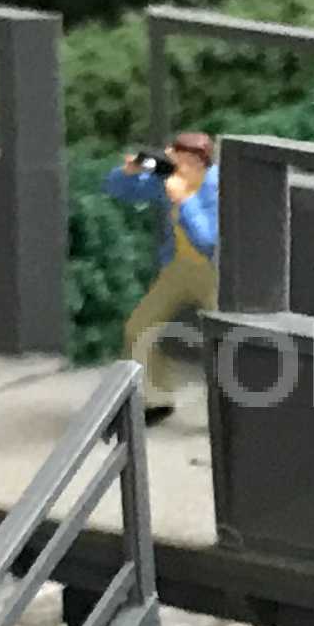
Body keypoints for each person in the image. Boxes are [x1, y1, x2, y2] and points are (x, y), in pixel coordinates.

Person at [104, 130, 222, 421]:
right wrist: (127, 173)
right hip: (179, 267)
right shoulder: (169, 179)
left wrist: (185, 200)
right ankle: (155, 398)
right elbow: (120, 191)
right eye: (173, 157)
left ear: (199, 162)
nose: (175, 163)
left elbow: (208, 240)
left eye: (182, 159)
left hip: (215, 271)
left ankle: (227, 409)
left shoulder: (217, 186)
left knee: (222, 339)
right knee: (140, 328)